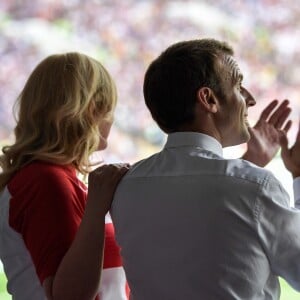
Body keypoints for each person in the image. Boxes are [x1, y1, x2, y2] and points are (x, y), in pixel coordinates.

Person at [111, 39, 300, 300]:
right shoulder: (256, 187)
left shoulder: (126, 186)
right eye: (238, 85)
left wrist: (252, 163)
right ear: (208, 99)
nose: (251, 99)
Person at [0, 52, 129, 300]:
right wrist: (96, 207)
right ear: (92, 108)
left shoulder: (48, 178)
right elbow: (70, 295)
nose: (112, 118)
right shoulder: (45, 181)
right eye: (110, 107)